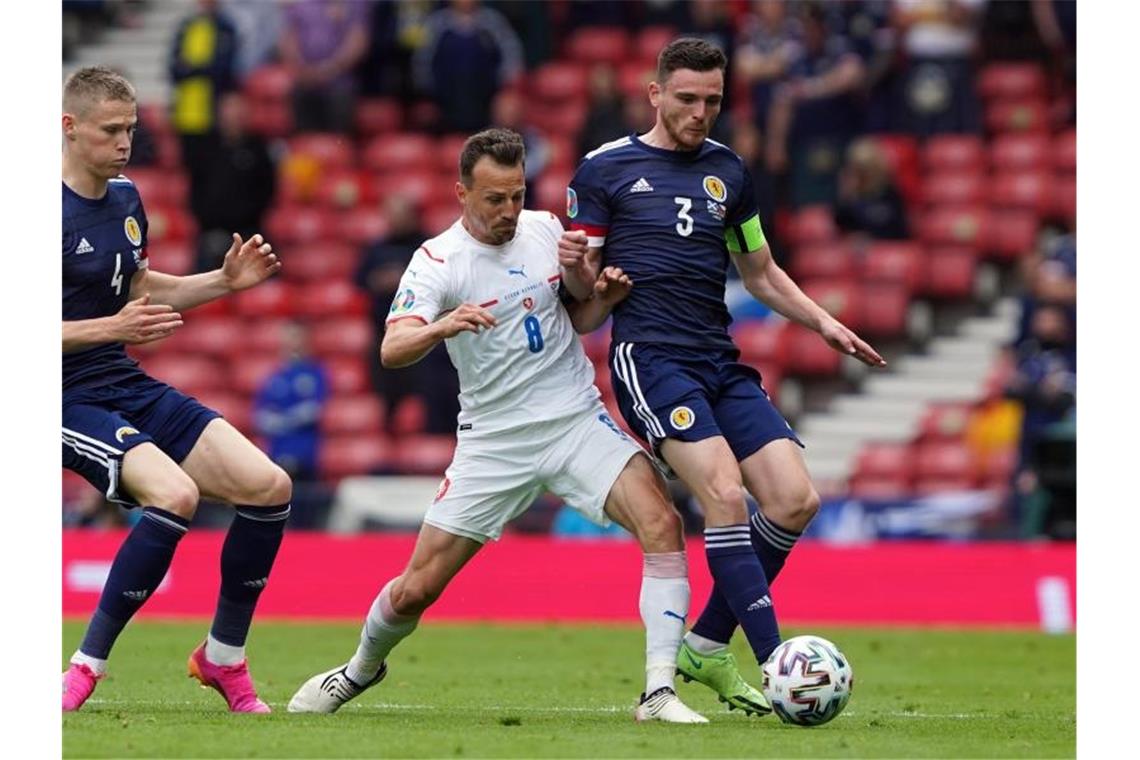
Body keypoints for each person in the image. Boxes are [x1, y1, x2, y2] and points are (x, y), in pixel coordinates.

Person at [288, 128, 705, 723]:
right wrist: (441, 327)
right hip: (495, 441)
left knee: (662, 522)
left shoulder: (544, 229)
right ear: (462, 193)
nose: (509, 210)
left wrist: (602, 296)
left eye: (516, 194)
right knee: (416, 590)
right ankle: (359, 669)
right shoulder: (438, 260)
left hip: (573, 420)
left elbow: (579, 317)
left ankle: (659, 690)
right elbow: (392, 347)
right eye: (494, 199)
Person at [559, 38, 886, 716]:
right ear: (654, 94)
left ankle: (706, 644)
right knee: (725, 493)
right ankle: (775, 661)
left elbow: (759, 271)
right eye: (686, 99)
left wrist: (822, 322)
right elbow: (579, 301)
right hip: (650, 357)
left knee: (796, 500)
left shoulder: (729, 172)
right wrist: (582, 274)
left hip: (718, 358)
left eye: (712, 100)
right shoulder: (605, 171)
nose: (700, 112)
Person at [61, 66, 291, 713]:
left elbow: (139, 289)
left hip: (119, 378)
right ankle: (84, 668)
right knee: (176, 495)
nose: (125, 143)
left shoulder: (127, 198)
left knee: (270, 487)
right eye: (111, 131)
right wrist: (114, 325)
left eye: (131, 129)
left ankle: (223, 659)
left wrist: (223, 281)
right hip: (61, 394)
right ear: (70, 129)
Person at [252, 321, 329, 482]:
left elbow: (314, 410)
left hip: (306, 453)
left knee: (305, 500)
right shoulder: (274, 375)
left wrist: (285, 420)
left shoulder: (315, 372)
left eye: (295, 336)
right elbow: (260, 415)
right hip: (276, 451)